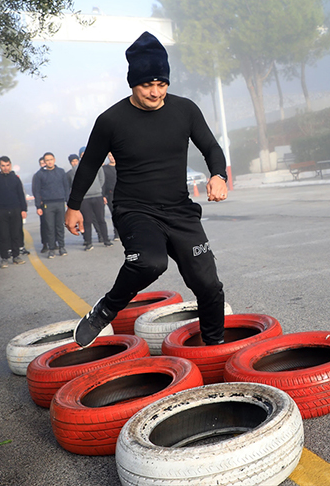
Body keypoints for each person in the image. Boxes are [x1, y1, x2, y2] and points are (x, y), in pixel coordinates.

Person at [66, 31, 228, 348]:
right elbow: (89, 165)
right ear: (132, 83)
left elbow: (211, 146)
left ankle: (214, 348)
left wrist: (218, 174)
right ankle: (106, 309)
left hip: (180, 210)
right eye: (147, 85)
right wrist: (73, 206)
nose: (155, 93)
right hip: (135, 210)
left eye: (161, 84)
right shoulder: (111, 120)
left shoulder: (185, 110)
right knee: (150, 263)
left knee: (209, 285)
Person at [0, 156, 28, 268]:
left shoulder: (15, 178)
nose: (5, 168)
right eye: (3, 166)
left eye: (7, 165)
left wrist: (23, 209)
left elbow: (21, 195)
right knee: (3, 235)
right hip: (1, 210)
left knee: (16, 234)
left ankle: (16, 256)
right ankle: (4, 258)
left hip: (15, 209)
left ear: (10, 165)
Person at [68, 147, 110, 250]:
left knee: (101, 219)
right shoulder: (75, 169)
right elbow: (74, 182)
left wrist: (97, 188)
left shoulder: (97, 166)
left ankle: (106, 240)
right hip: (85, 199)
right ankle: (88, 243)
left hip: (97, 196)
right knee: (87, 221)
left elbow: (101, 179)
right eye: (82, 154)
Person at [32, 152, 69, 258]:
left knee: (60, 226)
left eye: (51, 159)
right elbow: (37, 191)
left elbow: (66, 187)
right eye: (47, 160)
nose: (49, 162)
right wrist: (38, 206)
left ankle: (62, 247)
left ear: (54, 160)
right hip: (47, 204)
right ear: (44, 161)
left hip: (60, 202)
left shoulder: (61, 172)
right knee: (49, 227)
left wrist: (68, 202)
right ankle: (51, 248)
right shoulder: (40, 175)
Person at [102, 153, 118, 240]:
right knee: (115, 213)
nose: (112, 158)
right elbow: (103, 183)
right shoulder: (105, 169)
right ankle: (117, 233)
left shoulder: (122, 165)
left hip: (123, 193)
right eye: (110, 156)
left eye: (113, 155)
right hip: (111, 194)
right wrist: (103, 195)